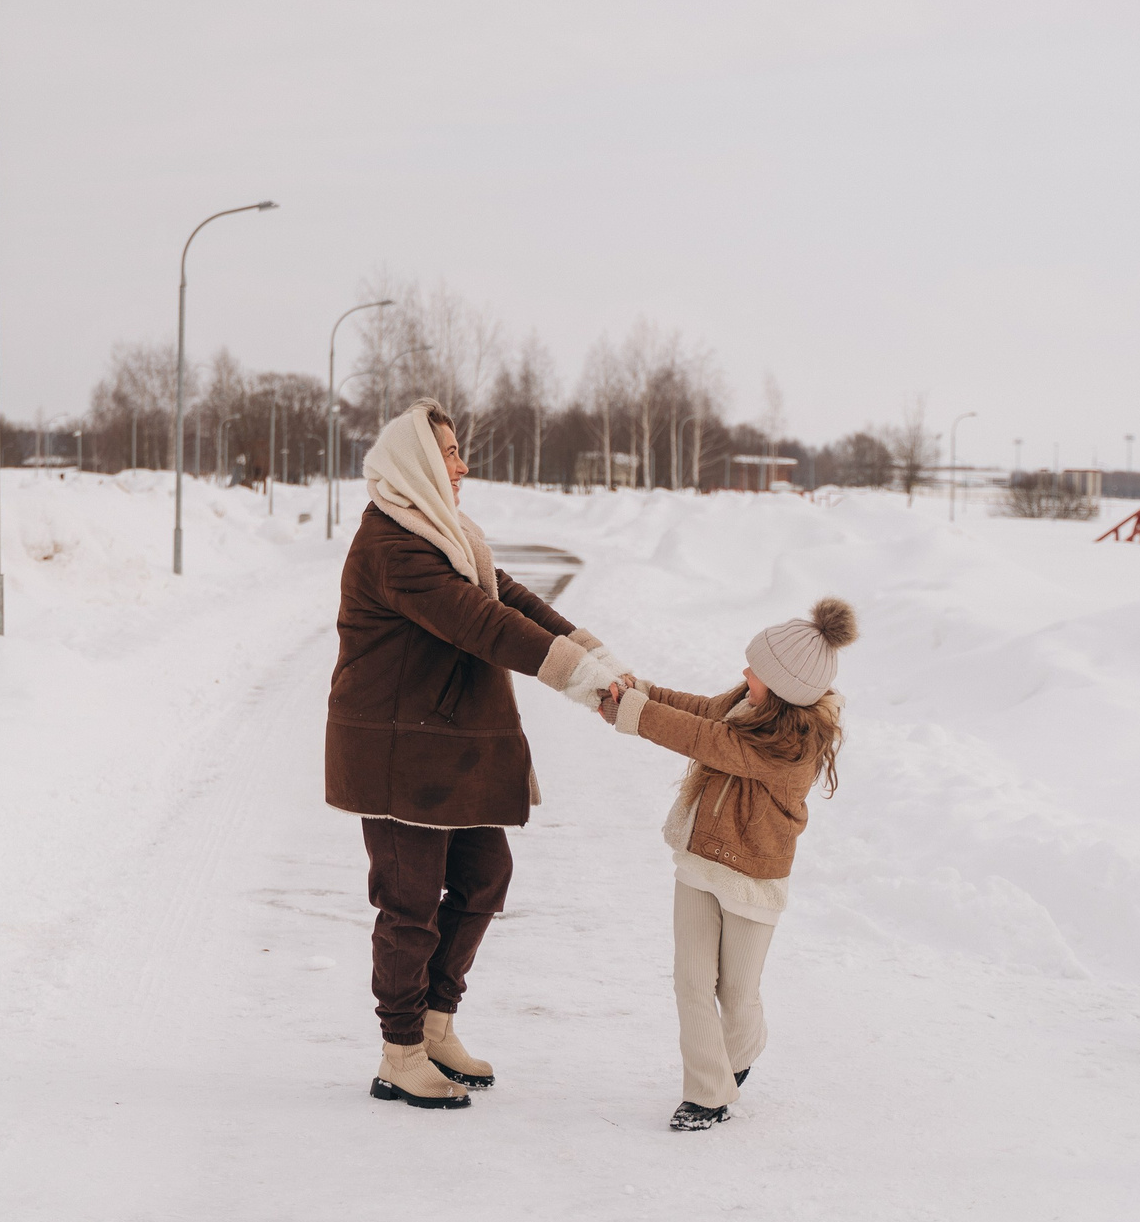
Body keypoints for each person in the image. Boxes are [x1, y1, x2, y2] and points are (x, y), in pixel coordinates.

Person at [326, 399, 626, 1109]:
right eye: (449, 454)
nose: (462, 467)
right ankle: (400, 1052)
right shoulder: (392, 546)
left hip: (444, 746)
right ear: (417, 464)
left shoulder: (444, 531)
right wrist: (580, 679)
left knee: (485, 876)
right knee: (409, 904)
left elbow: (509, 598)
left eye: (458, 452)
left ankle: (435, 1023)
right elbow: (481, 623)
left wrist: (595, 654)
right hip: (400, 754)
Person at [598, 598, 857, 1131]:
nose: (744, 675)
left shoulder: (793, 745)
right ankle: (707, 1094)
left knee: (737, 993)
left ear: (783, 690)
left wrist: (635, 713)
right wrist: (642, 691)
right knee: (692, 982)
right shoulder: (747, 702)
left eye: (755, 670)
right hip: (701, 859)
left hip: (754, 878)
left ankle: (740, 1053)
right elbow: (700, 712)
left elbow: (707, 740)